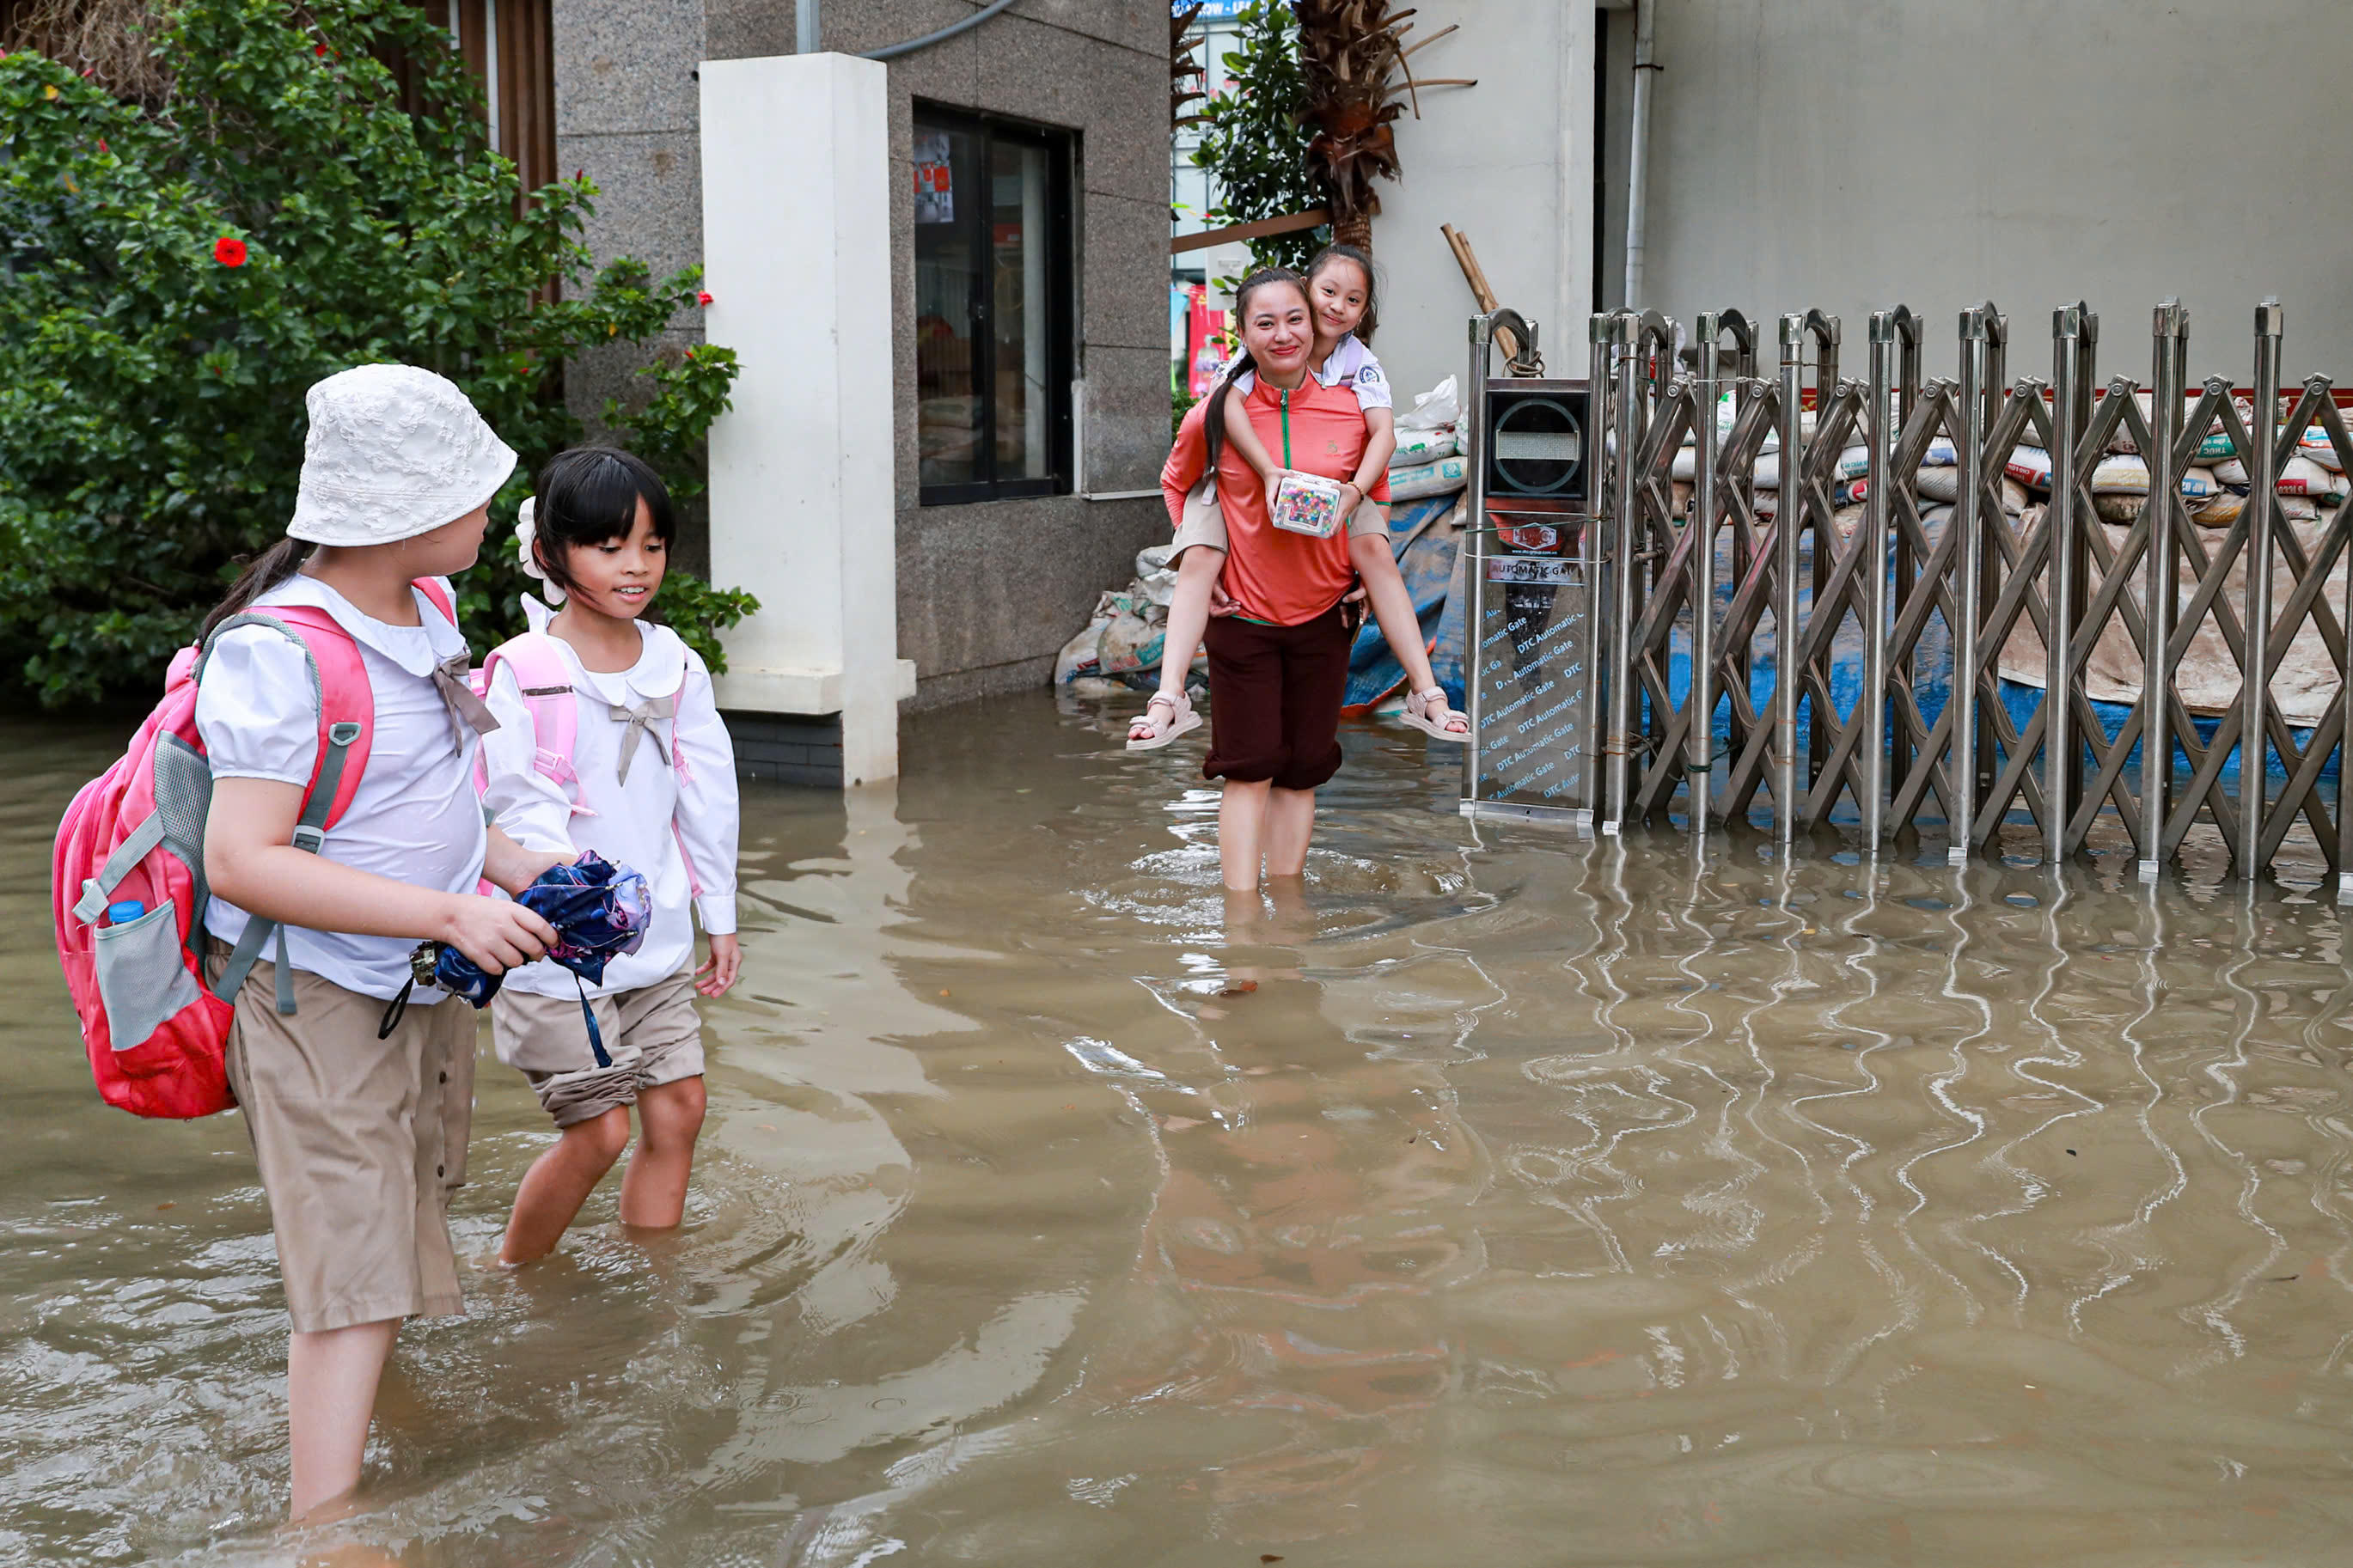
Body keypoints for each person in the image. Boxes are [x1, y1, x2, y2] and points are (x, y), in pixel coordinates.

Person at [196, 364, 568, 1520]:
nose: (493, 512)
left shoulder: (430, 609)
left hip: (412, 983)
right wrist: (450, 913)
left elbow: (423, 793)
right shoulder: (278, 653)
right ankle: (325, 1522)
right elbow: (242, 860)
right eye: (474, 491)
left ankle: (367, 1419)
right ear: (401, 512)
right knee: (353, 1270)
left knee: (395, 1218)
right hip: (317, 998)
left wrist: (510, 868)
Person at [479, 447, 741, 1266]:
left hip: (655, 944)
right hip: (552, 959)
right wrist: (568, 901)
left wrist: (719, 915)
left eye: (653, 545)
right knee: (599, 1131)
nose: (637, 566)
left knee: (681, 1110)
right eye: (610, 545)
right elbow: (505, 805)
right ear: (552, 554)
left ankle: (651, 1282)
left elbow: (708, 793)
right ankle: (515, 1275)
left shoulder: (677, 665)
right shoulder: (522, 671)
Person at [1158, 266, 1435, 892]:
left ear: (1316, 325)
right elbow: (1176, 484)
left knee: (1301, 772)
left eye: (1294, 320)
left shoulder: (1350, 409)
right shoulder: (1217, 413)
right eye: (1265, 323)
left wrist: (1364, 572)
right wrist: (1204, 551)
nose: (1283, 335)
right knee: (1249, 769)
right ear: (1243, 332)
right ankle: (1242, 923)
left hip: (1325, 619)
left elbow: (1376, 500)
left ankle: (1286, 912)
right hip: (1243, 620)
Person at [1128, 244, 1466, 751]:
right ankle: (1169, 698)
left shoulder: (1358, 370)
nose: (1335, 307)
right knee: (1199, 553)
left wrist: (1355, 505)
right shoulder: (1254, 362)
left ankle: (1426, 693)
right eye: (1327, 292)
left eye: (1352, 299)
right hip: (1234, 490)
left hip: (1333, 503)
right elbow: (1215, 421)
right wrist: (1264, 475)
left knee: (1375, 551)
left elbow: (1382, 442)